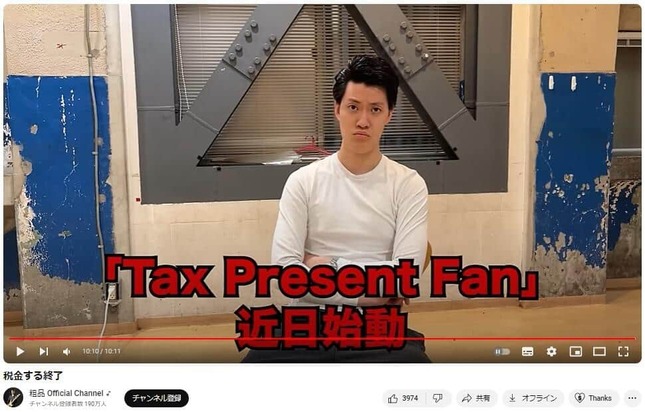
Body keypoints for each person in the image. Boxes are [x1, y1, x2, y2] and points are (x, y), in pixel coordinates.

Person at [242, 55, 430, 363]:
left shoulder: (408, 185)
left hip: (376, 326)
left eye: (375, 109)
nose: (363, 121)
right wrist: (370, 293)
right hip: (306, 323)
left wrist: (327, 264)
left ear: (389, 114)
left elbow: (403, 278)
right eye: (353, 107)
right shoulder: (303, 182)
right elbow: (286, 273)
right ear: (337, 109)